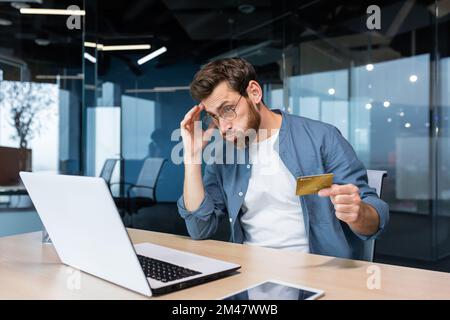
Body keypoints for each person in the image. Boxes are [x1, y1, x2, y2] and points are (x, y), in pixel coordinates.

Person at [177, 58, 389, 259]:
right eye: (214, 116)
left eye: (228, 110)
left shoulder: (321, 138)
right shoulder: (224, 155)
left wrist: (358, 213)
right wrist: (193, 158)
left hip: (316, 271)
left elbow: (374, 219)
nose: (223, 127)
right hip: (248, 271)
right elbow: (200, 228)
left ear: (254, 92)